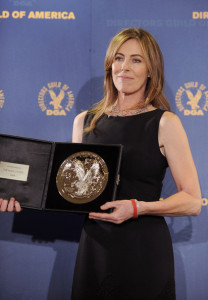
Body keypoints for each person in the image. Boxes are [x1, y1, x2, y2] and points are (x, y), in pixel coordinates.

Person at [1, 28, 202, 299]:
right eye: (119, 58)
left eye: (136, 60)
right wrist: (19, 196)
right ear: (110, 64)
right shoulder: (84, 121)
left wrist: (136, 208)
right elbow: (70, 194)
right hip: (95, 248)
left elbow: (192, 201)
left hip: (143, 249)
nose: (125, 67)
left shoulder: (165, 122)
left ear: (151, 69)